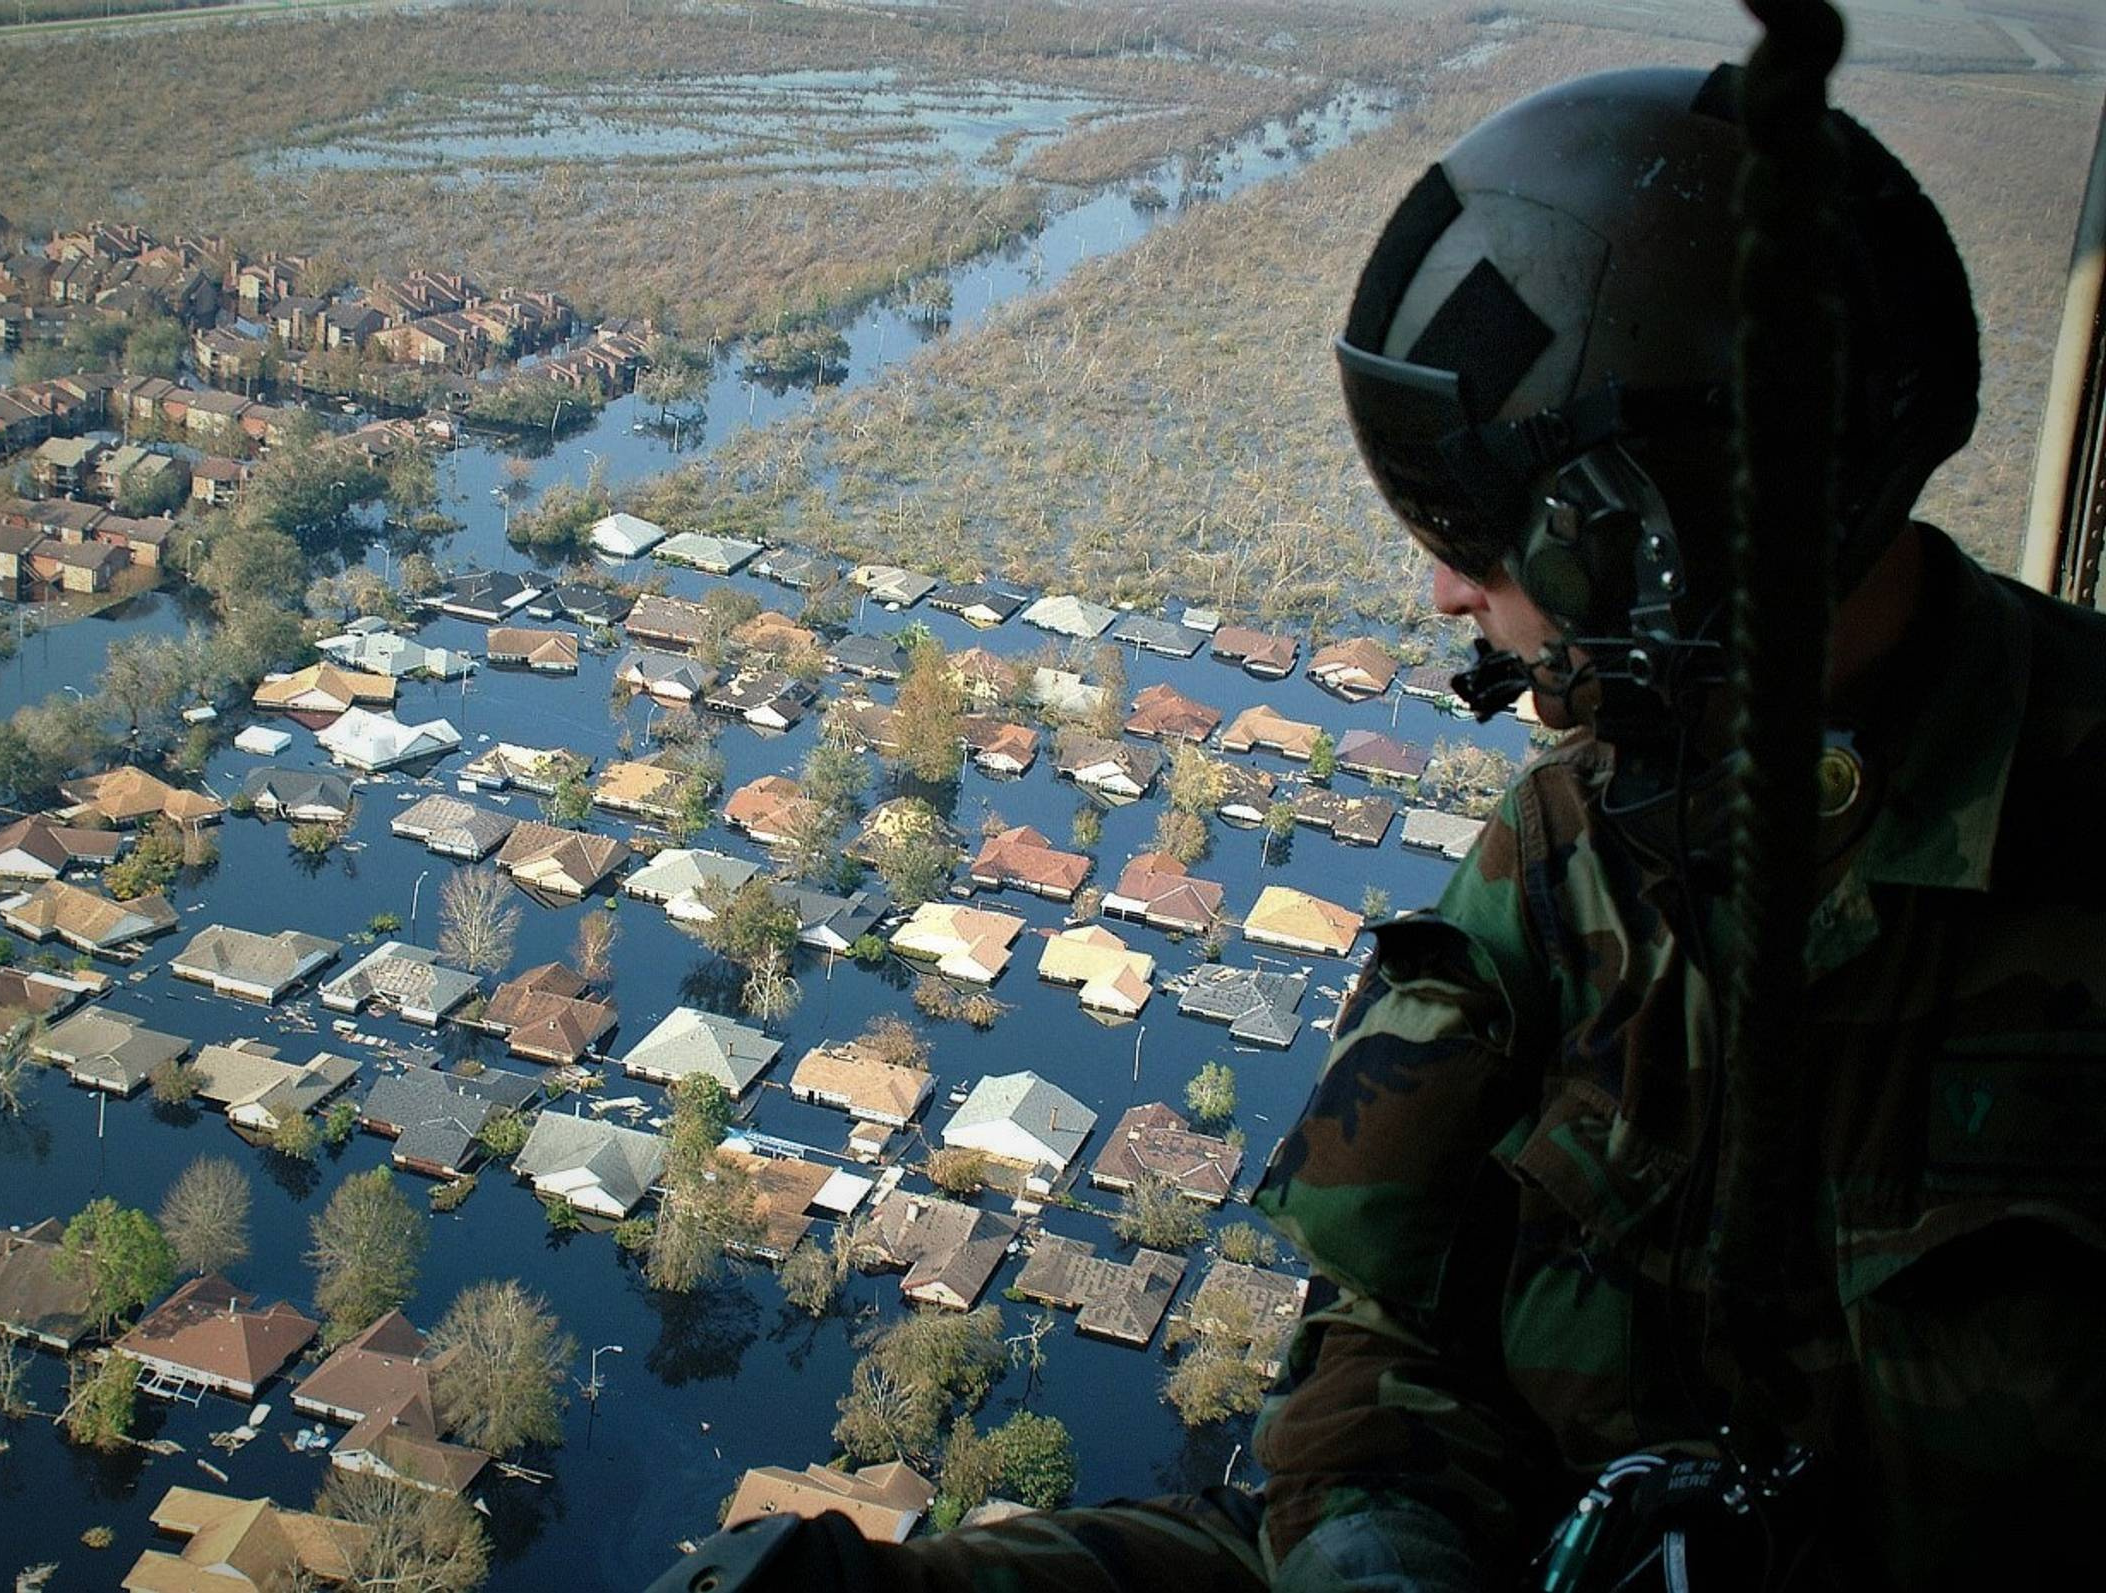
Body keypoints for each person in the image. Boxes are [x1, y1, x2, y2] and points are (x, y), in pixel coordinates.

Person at [649, 60, 2106, 1593]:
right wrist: (1378, 1547)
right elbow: (1383, 1324)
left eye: (1478, 543)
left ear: (1642, 543)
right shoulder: (1578, 846)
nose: (1446, 596)